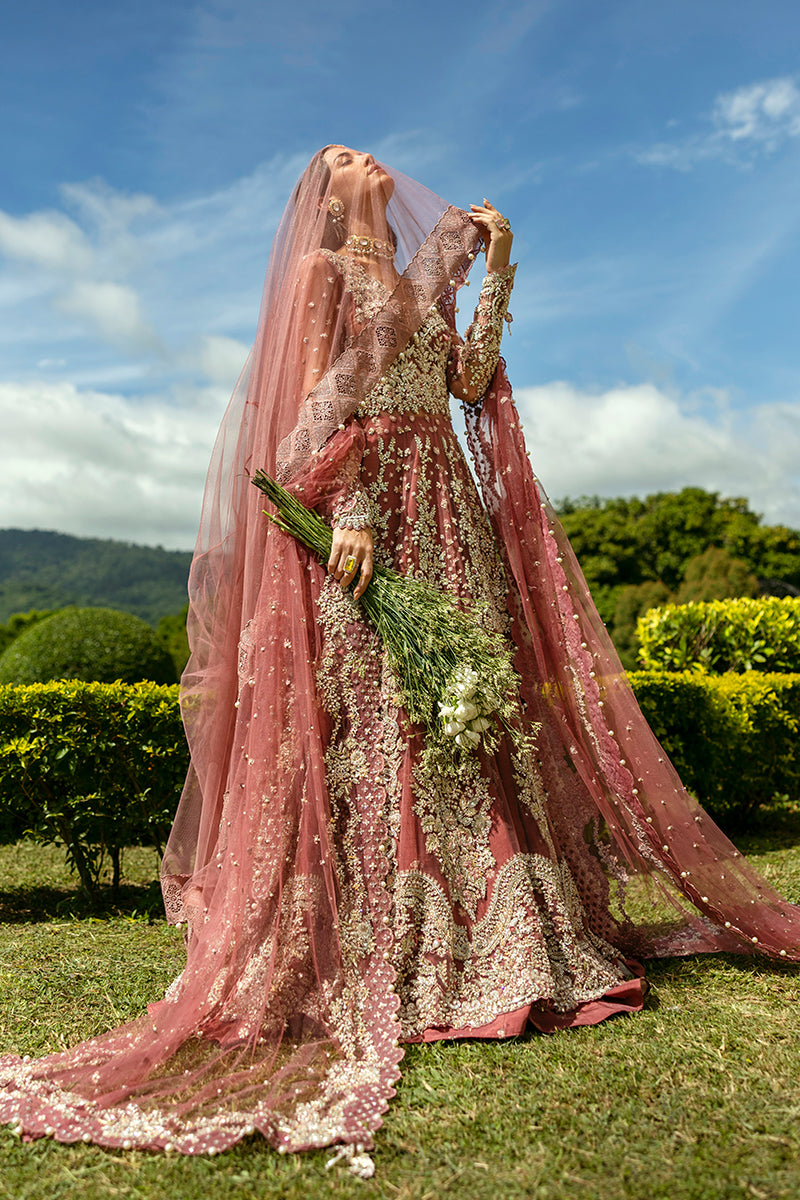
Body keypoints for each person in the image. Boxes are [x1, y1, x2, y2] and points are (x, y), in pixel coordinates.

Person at [0, 146, 798, 1174]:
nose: (359, 153)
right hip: (369, 533)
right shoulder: (321, 277)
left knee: (468, 719)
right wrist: (359, 514)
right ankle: (387, 944)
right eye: (334, 155)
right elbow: (316, 416)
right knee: (388, 721)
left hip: (450, 523)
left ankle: (513, 936)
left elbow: (467, 384)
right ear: (320, 198)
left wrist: (499, 262)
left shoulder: (424, 275)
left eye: (362, 146)